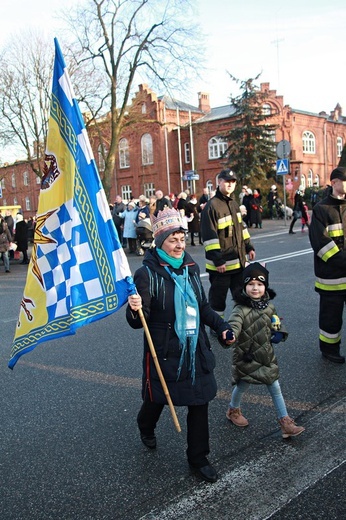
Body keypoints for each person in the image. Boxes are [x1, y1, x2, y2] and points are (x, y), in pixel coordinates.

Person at [126, 208, 234, 483]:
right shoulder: (146, 274)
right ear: (160, 240)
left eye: (182, 240)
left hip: (194, 346)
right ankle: (145, 424)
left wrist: (221, 327)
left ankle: (198, 457)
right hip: (164, 350)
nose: (179, 245)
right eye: (173, 240)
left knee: (199, 400)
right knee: (159, 397)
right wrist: (134, 309)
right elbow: (139, 321)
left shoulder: (191, 268)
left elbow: (203, 306)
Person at [224, 262, 305, 438]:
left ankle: (285, 423)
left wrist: (279, 332)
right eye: (251, 284)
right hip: (246, 356)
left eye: (260, 284)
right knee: (243, 384)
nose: (255, 288)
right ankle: (233, 410)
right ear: (244, 286)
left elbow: (275, 321)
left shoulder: (268, 306)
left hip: (266, 355)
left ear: (265, 286)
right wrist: (231, 334)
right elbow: (235, 324)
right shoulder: (240, 309)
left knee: (274, 386)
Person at [200, 168, 255, 323]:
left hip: (237, 263)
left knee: (240, 295)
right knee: (218, 299)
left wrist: (249, 246)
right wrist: (218, 260)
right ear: (219, 182)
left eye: (233, 182)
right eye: (227, 181)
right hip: (221, 266)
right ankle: (217, 327)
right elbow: (209, 236)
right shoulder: (212, 206)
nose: (230, 185)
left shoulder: (234, 204)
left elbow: (241, 229)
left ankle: (240, 323)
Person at [309, 166, 346, 364]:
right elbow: (320, 244)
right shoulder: (321, 209)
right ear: (334, 183)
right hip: (331, 278)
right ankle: (329, 350)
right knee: (331, 318)